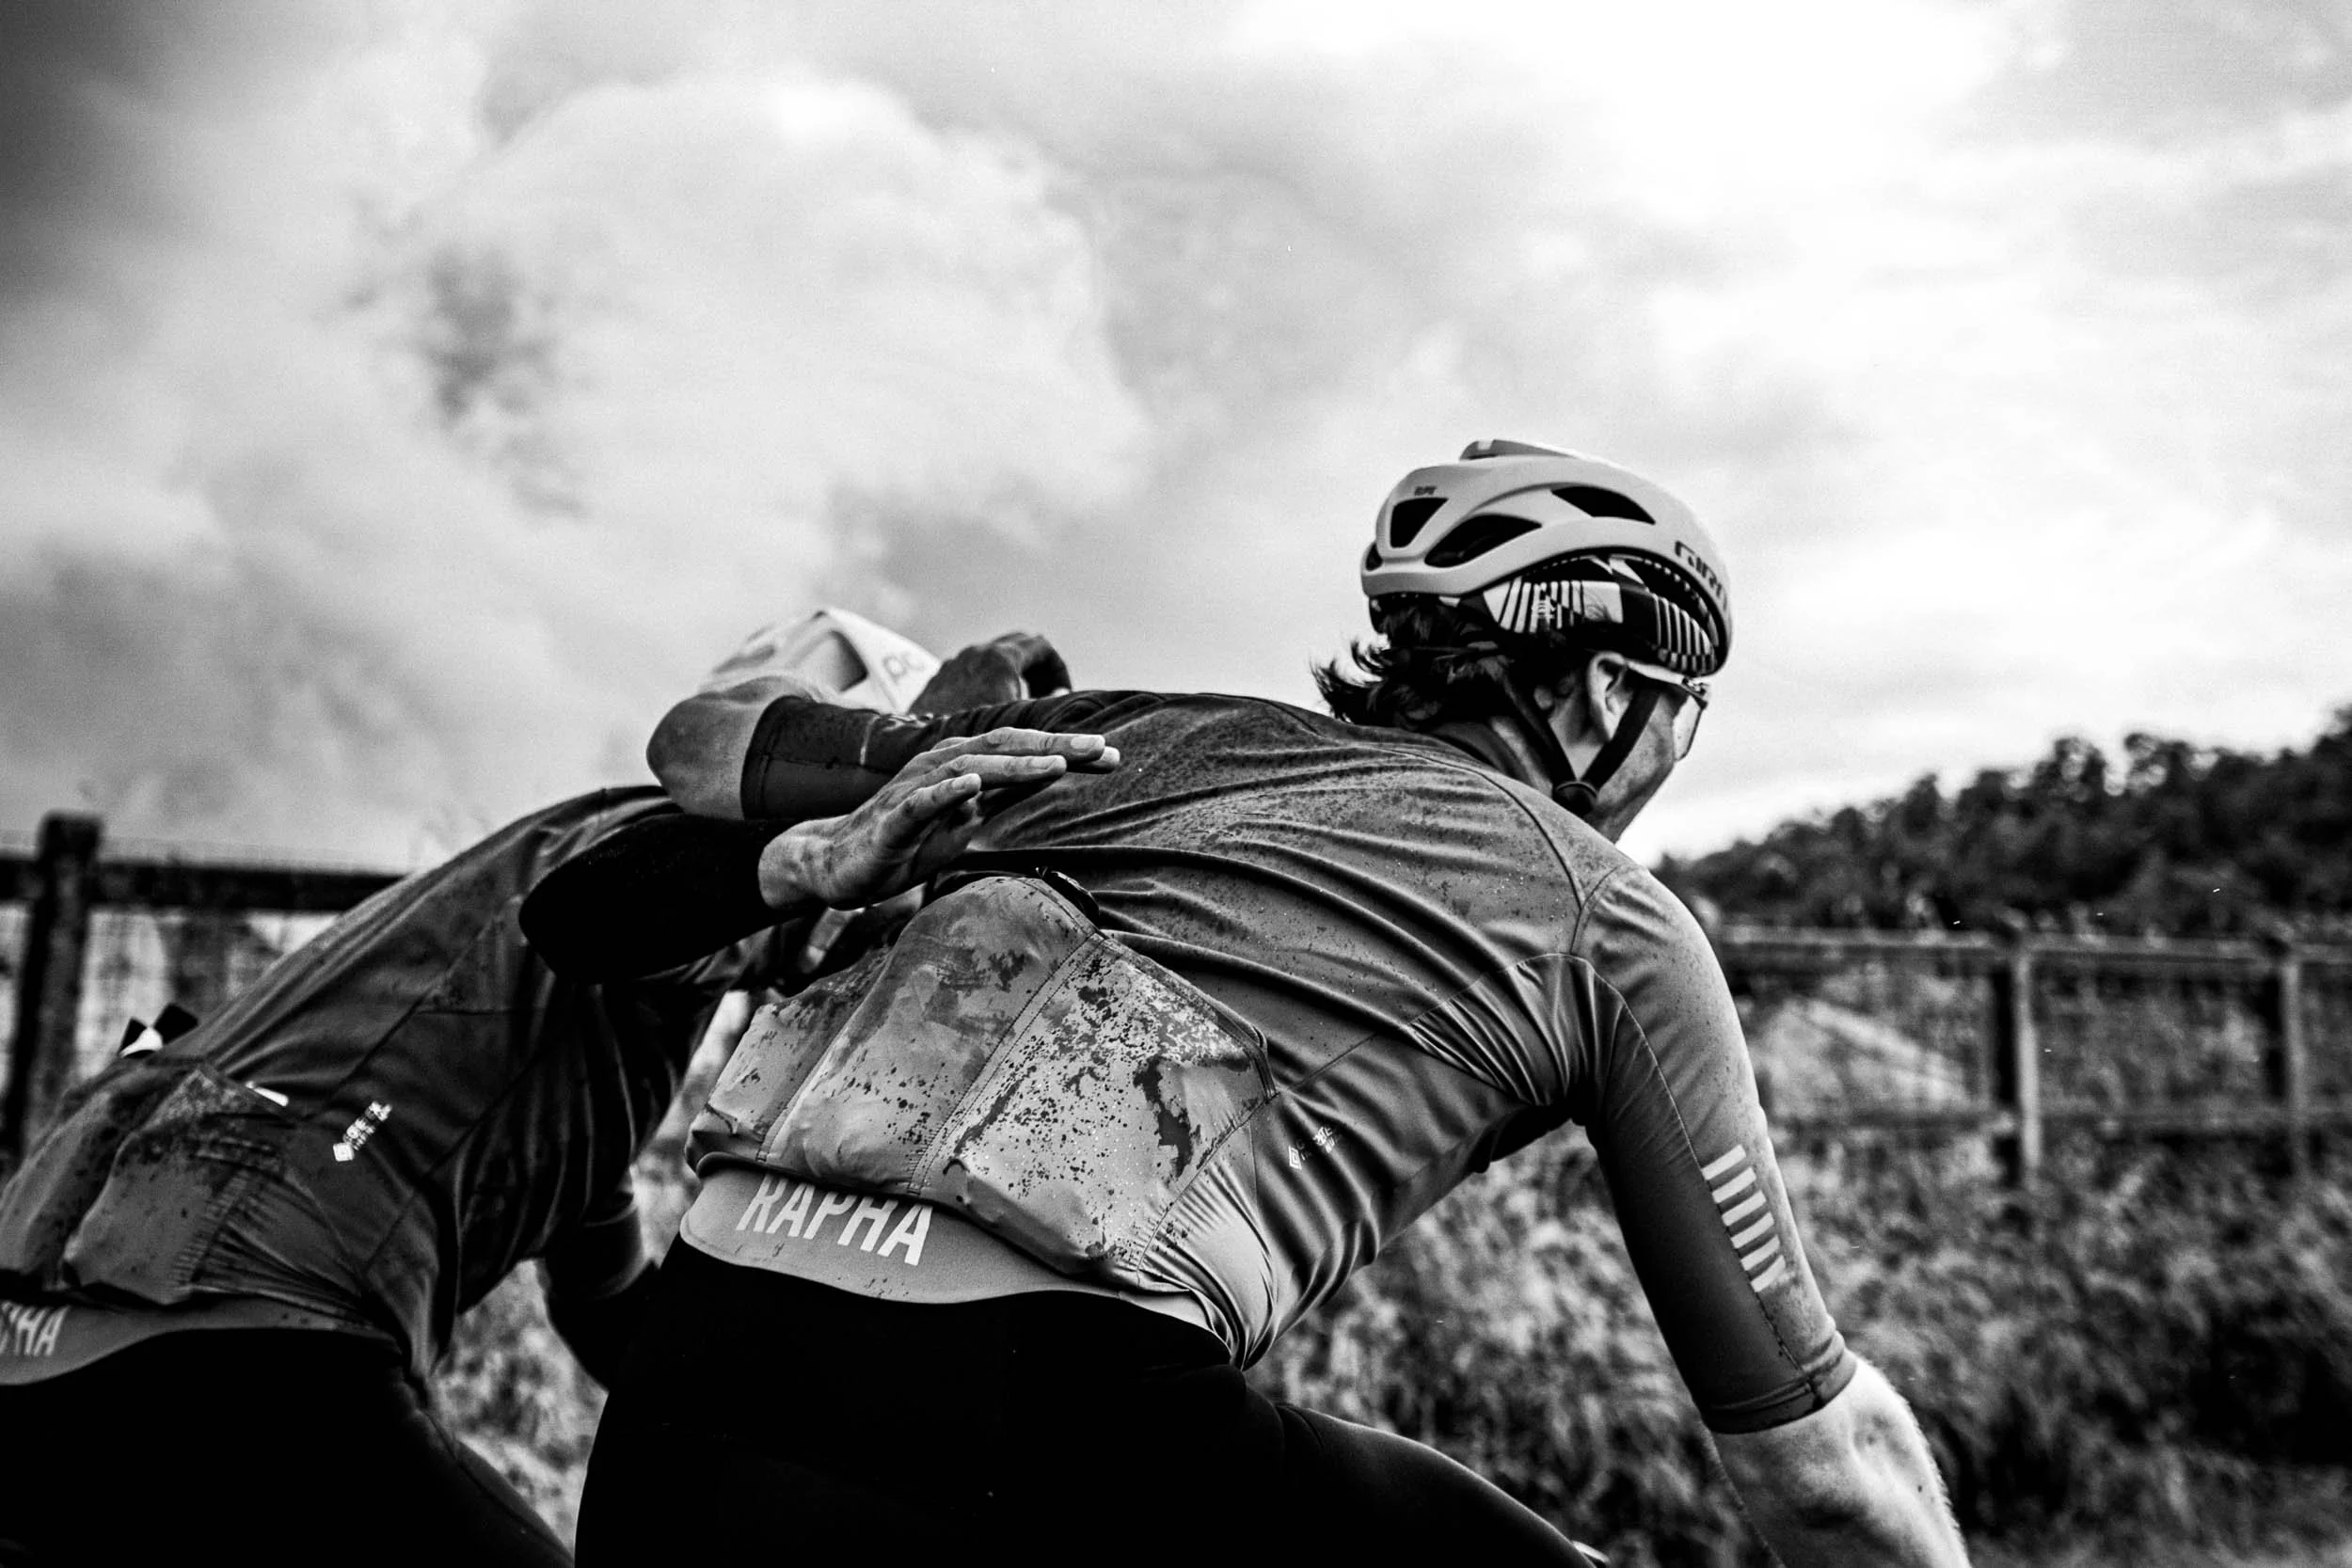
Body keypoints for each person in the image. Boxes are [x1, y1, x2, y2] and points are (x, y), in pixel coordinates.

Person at [542, 442, 1970, 1567]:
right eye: (1683, 706)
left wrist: (832, 830)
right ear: (1606, 691)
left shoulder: (1118, 732)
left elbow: (692, 741)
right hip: (1033, 1440)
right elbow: (1820, 1473)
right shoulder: (1603, 915)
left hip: (676, 1409)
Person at [0, 609, 1068, 1568]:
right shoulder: (630, 849)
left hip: (37, 1359)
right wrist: (807, 865)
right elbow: (591, 912)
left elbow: (612, 1315)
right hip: (239, 1343)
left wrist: (861, 1432)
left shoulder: (558, 1040)